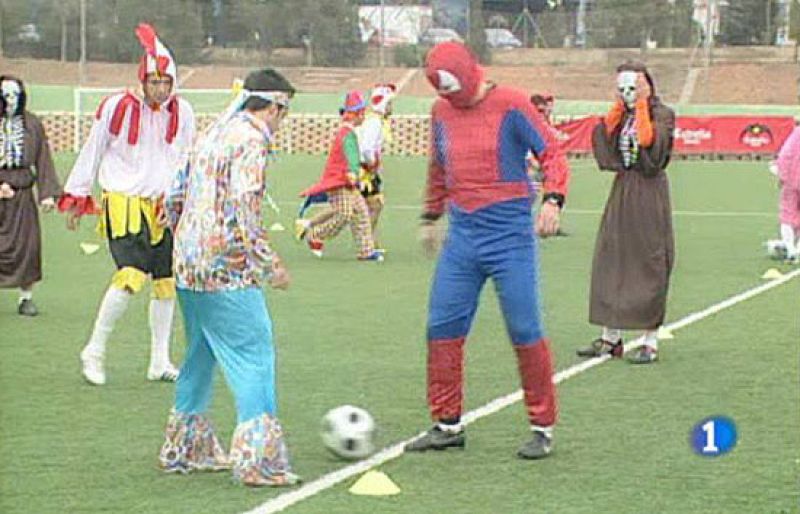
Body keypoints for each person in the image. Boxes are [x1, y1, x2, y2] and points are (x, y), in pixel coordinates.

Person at [404, 42, 569, 460]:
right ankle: (446, 424)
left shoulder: (512, 104)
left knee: (525, 330)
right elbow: (439, 167)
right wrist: (429, 216)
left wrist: (553, 199)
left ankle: (541, 426)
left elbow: (552, 152)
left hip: (510, 237)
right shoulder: (441, 113)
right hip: (463, 238)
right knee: (442, 326)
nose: (453, 102)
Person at [157, 68, 299, 487]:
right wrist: (266, 259)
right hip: (226, 265)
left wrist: (185, 236)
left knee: (200, 352)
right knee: (254, 351)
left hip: (187, 259)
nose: (282, 120)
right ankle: (258, 458)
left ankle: (186, 447)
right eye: (283, 112)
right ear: (274, 106)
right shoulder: (252, 140)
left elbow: (174, 193)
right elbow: (243, 203)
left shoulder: (213, 131)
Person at [59, 24, 196, 385]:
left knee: (166, 282)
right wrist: (78, 193)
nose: (161, 89)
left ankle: (159, 361)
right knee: (131, 275)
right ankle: (94, 350)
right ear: (142, 79)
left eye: (167, 82)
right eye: (154, 81)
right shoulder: (117, 107)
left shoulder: (184, 113)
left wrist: (184, 203)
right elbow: (94, 148)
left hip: (162, 207)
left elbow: (187, 160)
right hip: (123, 203)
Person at [576, 61, 676, 365]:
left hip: (648, 192)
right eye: (621, 89)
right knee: (612, 258)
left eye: (633, 88)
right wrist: (619, 110)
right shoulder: (623, 114)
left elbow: (652, 145)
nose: (627, 94)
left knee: (649, 261)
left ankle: (649, 340)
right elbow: (604, 141)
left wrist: (642, 105)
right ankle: (611, 337)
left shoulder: (663, 115)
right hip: (623, 189)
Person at [295, 91, 384, 261]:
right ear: (354, 115)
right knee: (344, 213)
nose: (363, 117)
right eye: (361, 114)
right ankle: (315, 234)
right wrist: (353, 171)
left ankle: (366, 250)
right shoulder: (347, 134)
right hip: (340, 181)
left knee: (361, 212)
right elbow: (351, 155)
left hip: (346, 181)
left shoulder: (348, 132)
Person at [0, 75, 61, 316]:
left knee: (29, 246)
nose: (11, 101)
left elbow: (43, 158)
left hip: (22, 194)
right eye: (6, 96)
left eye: (15, 95)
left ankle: (26, 298)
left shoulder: (33, 124)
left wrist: (47, 194)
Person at [357, 83, 397, 248]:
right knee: (373, 206)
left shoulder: (373, 119)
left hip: (364, 170)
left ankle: (369, 240)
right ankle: (367, 242)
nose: (391, 108)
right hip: (363, 172)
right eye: (389, 104)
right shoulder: (375, 122)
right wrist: (372, 164)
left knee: (366, 206)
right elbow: (367, 147)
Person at [767, 125, 800, 263]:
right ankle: (796, 250)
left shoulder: (795, 135)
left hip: (791, 180)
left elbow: (784, 156)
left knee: (787, 215)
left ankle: (790, 248)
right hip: (792, 178)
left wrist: (782, 175)